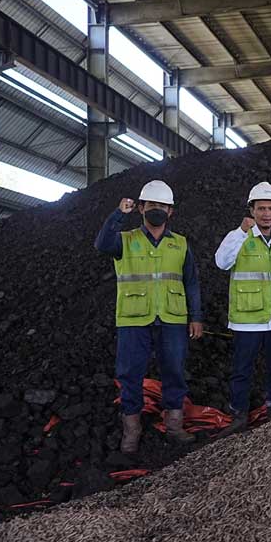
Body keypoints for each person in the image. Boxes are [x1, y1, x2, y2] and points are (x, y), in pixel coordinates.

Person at [94, 180, 203, 453]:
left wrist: (196, 317)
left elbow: (191, 282)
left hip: (172, 318)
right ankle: (132, 429)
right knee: (130, 373)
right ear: (141, 208)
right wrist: (118, 214)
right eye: (152, 204)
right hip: (134, 319)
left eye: (162, 206)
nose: (157, 210)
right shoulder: (125, 240)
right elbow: (102, 244)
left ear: (171, 211)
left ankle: (174, 425)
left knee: (174, 370)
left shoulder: (180, 244)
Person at [213, 182, 271, 437]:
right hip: (247, 319)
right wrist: (241, 232)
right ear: (251, 210)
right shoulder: (239, 238)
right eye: (261, 208)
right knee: (242, 369)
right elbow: (221, 262)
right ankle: (238, 413)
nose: (266, 214)